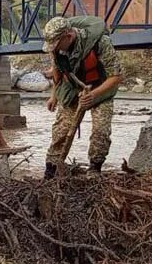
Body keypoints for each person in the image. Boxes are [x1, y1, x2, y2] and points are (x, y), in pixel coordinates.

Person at [43, 15, 123, 177]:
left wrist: (93, 95)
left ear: (69, 36)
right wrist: (54, 96)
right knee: (60, 131)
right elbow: (57, 70)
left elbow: (116, 76)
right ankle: (51, 170)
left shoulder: (101, 43)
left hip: (100, 87)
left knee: (101, 130)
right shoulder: (57, 48)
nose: (54, 48)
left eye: (57, 44)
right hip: (72, 87)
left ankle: (95, 168)